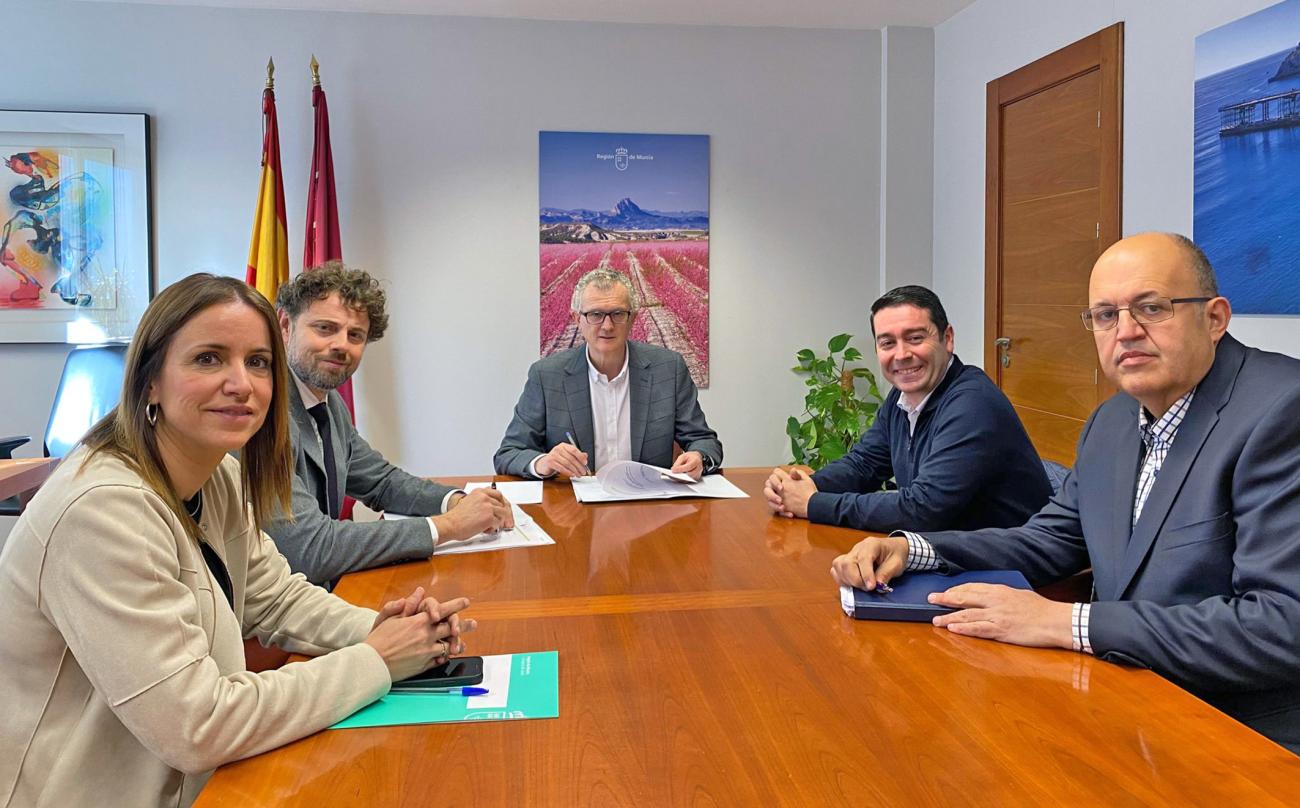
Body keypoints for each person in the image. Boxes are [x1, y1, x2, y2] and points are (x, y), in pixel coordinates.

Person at [0, 274, 476, 807]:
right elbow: (197, 725)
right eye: (208, 359)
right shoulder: (103, 509)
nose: (242, 384)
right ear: (150, 380)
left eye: (258, 362)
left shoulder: (218, 474)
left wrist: (389, 629)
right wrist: (376, 660)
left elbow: (275, 597)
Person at [830, 233, 1300, 752]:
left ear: (1214, 317)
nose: (1126, 332)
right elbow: (1047, 541)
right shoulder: (1112, 421)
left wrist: (1068, 621)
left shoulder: (1282, 411)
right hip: (1132, 703)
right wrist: (911, 548)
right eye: (1104, 316)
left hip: (1245, 736)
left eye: (1151, 307)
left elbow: (1282, 626)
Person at [268, 263, 512, 586]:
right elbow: (310, 549)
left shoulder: (328, 404)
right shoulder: (261, 413)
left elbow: (382, 482)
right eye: (325, 328)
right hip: (271, 624)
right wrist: (449, 525)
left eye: (355, 335)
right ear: (286, 326)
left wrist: (456, 501)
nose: (342, 345)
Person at [765, 285, 1050, 532]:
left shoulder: (973, 404)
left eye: (915, 338)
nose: (901, 355)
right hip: (954, 554)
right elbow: (864, 464)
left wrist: (814, 503)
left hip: (1012, 574)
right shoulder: (904, 395)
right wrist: (803, 486)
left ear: (947, 338)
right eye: (887, 343)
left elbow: (924, 509)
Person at [494, 268, 722, 480]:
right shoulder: (546, 376)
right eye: (595, 314)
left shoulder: (669, 369)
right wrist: (543, 462)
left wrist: (698, 458)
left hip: (649, 506)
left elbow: (704, 441)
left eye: (617, 314)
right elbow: (509, 453)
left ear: (632, 318)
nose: (607, 326)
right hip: (574, 511)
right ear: (577, 319)